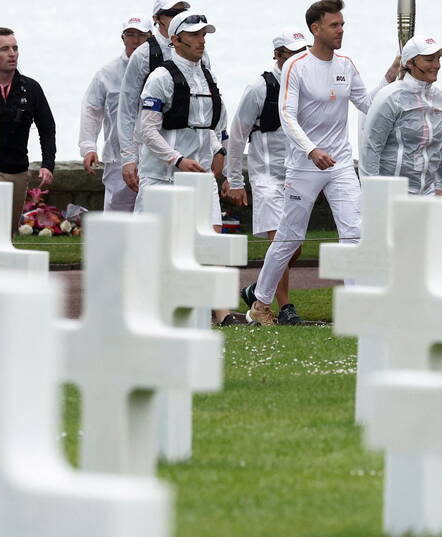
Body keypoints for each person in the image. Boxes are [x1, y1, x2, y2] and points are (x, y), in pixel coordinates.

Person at [245, 0, 377, 326]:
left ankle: (357, 307)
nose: (341, 30)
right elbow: (286, 115)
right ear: (316, 29)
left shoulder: (347, 65)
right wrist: (311, 150)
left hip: (341, 163)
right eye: (334, 25)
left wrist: (392, 81)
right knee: (288, 239)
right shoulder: (297, 66)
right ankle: (260, 304)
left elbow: (370, 105)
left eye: (342, 24)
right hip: (304, 166)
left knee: (354, 231)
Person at [134, 10, 237, 326]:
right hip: (163, 178)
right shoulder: (161, 77)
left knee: (213, 241)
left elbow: (215, 123)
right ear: (175, 39)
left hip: (200, 177)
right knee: (150, 246)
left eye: (204, 34)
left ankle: (221, 312)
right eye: (193, 35)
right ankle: (145, 307)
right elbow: (147, 130)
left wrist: (220, 150)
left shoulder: (208, 76)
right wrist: (176, 159)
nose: (201, 40)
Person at [225, 28, 311, 325]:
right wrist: (234, 180)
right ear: (277, 55)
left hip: (297, 177)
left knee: (295, 247)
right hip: (267, 179)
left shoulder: (308, 86)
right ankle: (285, 307)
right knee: (283, 243)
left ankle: (256, 289)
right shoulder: (258, 88)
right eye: (292, 53)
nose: (300, 59)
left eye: (304, 52)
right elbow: (236, 136)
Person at [360, 34, 442, 223]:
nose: (436, 65)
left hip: (428, 193)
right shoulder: (389, 97)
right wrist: (374, 197)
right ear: (410, 62)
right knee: (394, 251)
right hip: (393, 195)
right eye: (429, 59)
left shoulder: (441, 100)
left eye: (438, 59)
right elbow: (370, 150)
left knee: (427, 251)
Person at [116, 1, 196, 196]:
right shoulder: (144, 54)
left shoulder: (198, 52)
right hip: (153, 149)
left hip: (190, 147)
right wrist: (128, 158)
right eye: (171, 13)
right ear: (156, 18)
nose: (178, 17)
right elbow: (127, 108)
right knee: (152, 218)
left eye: (183, 12)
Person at [0, 27, 56, 232]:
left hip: (16, 171)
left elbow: (47, 127)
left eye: (15, 48)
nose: (12, 53)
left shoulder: (31, 88)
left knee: (6, 234)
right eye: (5, 49)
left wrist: (47, 164)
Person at [79, 14, 151, 212]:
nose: (135, 40)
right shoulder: (107, 73)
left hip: (154, 157)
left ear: (151, 38)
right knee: (117, 217)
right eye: (130, 34)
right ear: (123, 38)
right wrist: (88, 147)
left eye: (141, 35)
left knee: (152, 217)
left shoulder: (160, 71)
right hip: (117, 157)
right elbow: (91, 110)